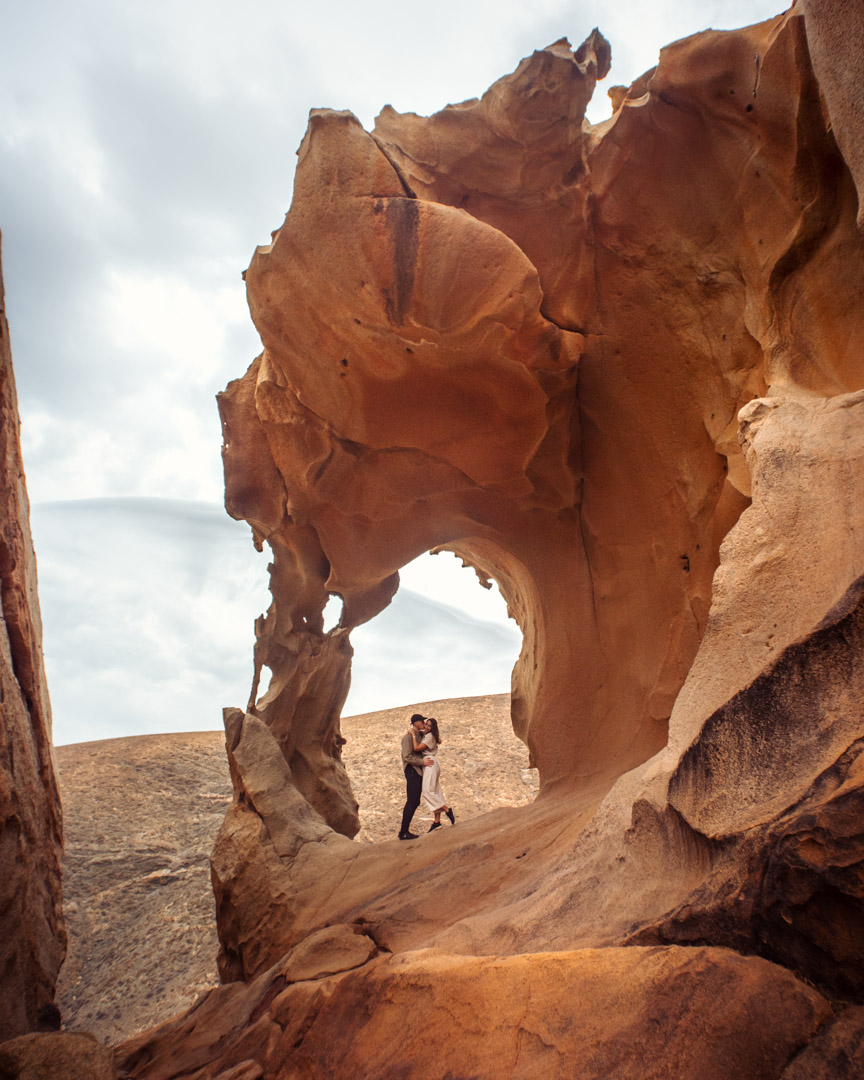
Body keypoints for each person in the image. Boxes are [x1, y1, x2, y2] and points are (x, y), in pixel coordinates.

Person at [412, 717, 455, 831]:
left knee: (427, 791)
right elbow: (423, 733)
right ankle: (437, 822)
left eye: (429, 726)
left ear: (433, 728)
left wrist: (412, 734)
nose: (426, 727)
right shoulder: (427, 735)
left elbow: (416, 748)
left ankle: (447, 810)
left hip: (429, 762)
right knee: (435, 791)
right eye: (426, 724)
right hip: (430, 763)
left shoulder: (430, 736)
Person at [398, 714, 433, 840]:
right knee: (412, 801)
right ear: (414, 722)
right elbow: (407, 756)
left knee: (415, 801)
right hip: (412, 770)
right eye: (420, 720)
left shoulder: (419, 735)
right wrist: (422, 763)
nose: (423, 722)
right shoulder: (407, 737)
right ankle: (403, 832)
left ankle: (404, 831)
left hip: (417, 771)